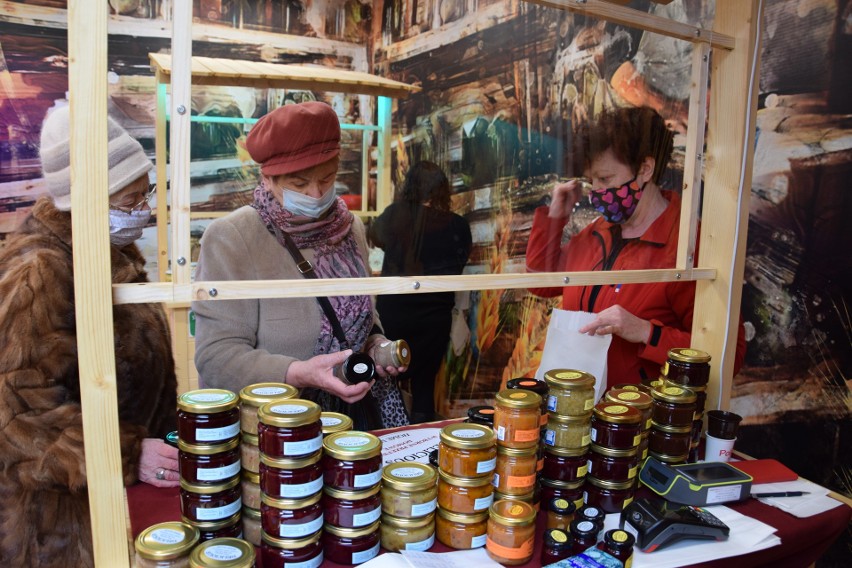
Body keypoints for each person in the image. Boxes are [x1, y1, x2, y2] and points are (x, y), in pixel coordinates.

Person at [0, 106, 179, 567]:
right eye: (130, 201)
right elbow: (16, 418)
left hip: (121, 501)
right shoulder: (38, 272)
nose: (145, 211)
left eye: (147, 194)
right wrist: (125, 453)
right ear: (82, 201)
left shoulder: (105, 246)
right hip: (65, 528)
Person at [192, 101, 409, 429]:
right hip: (279, 430)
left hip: (354, 423)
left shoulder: (350, 228)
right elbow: (217, 359)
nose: (316, 193)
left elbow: (363, 315)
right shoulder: (232, 237)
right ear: (268, 179)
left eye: (327, 177)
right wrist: (296, 373)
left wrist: (375, 344)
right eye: (298, 183)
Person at [527, 106, 745, 384]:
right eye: (591, 181)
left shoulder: (689, 246)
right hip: (577, 407)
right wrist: (554, 218)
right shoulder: (598, 232)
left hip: (636, 418)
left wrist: (647, 332)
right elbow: (540, 282)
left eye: (605, 179)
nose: (596, 191)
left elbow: (729, 357)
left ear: (645, 169)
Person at [369, 161, 472, 423]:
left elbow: (376, 237)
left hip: (395, 313)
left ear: (410, 186)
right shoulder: (458, 226)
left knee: (386, 380)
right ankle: (422, 447)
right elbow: (458, 263)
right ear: (443, 189)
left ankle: (390, 440)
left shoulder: (396, 214)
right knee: (425, 385)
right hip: (435, 317)